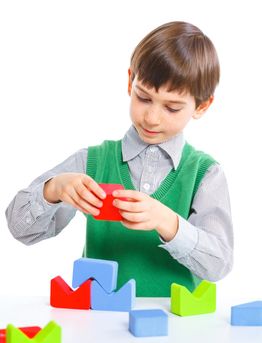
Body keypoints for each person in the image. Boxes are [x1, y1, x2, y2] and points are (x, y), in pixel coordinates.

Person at [5, 21, 233, 297]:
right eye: (143, 98)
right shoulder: (92, 162)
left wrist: (168, 222)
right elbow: (19, 229)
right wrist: (52, 190)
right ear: (130, 82)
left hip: (172, 330)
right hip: (98, 323)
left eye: (172, 108)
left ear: (202, 105)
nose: (151, 118)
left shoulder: (205, 173)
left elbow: (219, 264)